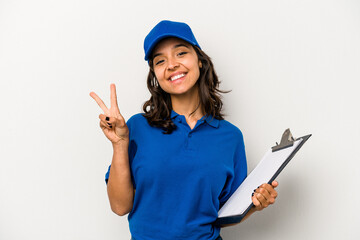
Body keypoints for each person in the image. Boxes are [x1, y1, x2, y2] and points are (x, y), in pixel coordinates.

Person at [90, 20, 278, 240]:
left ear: (199, 61)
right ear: (155, 75)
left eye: (180, 53)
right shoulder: (137, 127)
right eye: (160, 61)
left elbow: (226, 213)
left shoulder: (231, 137)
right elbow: (120, 206)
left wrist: (255, 204)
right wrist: (119, 144)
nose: (171, 64)